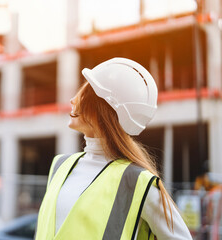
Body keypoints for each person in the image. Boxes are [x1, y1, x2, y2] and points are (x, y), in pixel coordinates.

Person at [35, 58, 192, 239]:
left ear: (105, 107)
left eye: (85, 94)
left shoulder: (135, 181)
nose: (73, 99)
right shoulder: (60, 165)